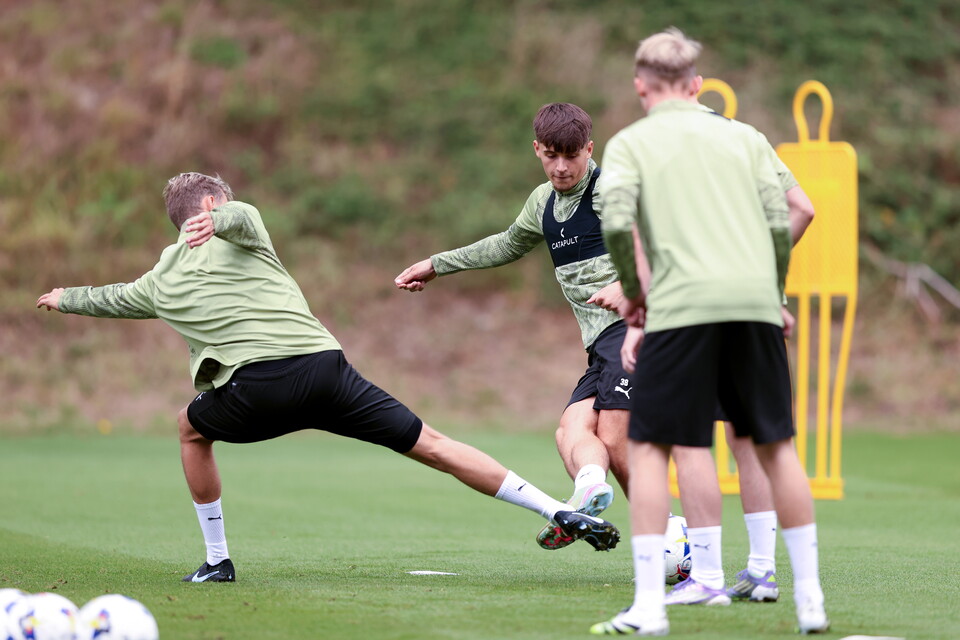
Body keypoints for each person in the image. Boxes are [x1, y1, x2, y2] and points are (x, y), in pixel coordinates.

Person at [35, 172, 621, 584]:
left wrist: (66, 297)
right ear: (211, 201)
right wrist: (221, 215)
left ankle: (217, 561)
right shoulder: (248, 235)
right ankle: (556, 510)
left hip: (260, 388)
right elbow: (231, 222)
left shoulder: (179, 264)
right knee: (435, 445)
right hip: (326, 371)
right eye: (217, 207)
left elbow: (114, 296)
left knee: (190, 429)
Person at [589, 28, 828, 636]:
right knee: (776, 448)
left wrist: (636, 303)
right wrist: (771, 293)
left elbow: (618, 228)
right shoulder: (744, 136)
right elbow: (787, 215)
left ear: (641, 87)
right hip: (753, 305)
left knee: (650, 449)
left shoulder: (632, 143)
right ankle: (809, 600)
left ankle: (650, 608)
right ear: (696, 85)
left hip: (683, 307)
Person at [395, 102, 673, 550]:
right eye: (551, 156)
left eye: (571, 156)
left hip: (641, 327)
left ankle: (674, 542)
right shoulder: (542, 202)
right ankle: (588, 490)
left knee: (618, 439)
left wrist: (630, 284)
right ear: (537, 150)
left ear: (589, 149)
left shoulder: (611, 192)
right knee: (570, 430)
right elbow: (506, 244)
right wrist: (437, 264)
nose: (561, 168)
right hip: (602, 341)